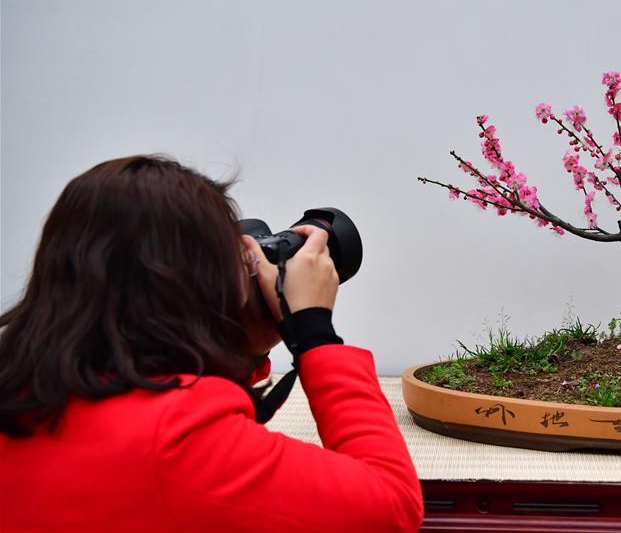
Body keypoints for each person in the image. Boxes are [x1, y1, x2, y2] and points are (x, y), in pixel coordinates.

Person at [0, 155, 424, 532]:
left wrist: (249, 341)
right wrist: (314, 334)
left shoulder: (26, 391)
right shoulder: (178, 440)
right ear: (197, 286)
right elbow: (390, 507)